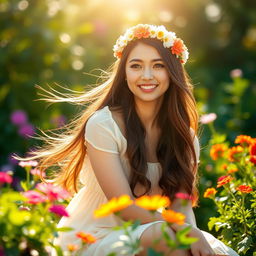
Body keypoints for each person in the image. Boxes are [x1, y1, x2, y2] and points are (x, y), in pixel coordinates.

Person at [30, 24, 239, 256]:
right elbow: (123, 207)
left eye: (158, 66)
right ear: (125, 73)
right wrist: (183, 231)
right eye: (136, 66)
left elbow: (181, 206)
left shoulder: (184, 137)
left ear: (172, 72)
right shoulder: (103, 125)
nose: (146, 75)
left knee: (216, 253)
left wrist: (191, 232)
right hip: (96, 234)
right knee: (171, 240)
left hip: (155, 230)